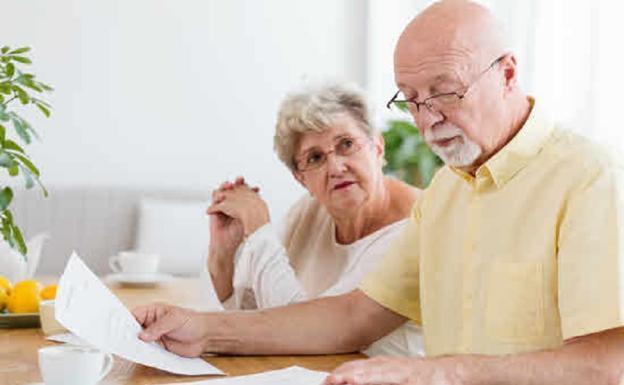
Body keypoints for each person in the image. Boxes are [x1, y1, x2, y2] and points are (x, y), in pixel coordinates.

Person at [133, 1, 624, 384]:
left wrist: (442, 373)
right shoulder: (446, 193)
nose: (428, 119)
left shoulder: (589, 179)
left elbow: (608, 366)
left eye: (445, 91)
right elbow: (351, 318)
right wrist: (204, 330)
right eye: (411, 99)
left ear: (508, 74)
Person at [205, 83, 423, 357]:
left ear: (377, 147)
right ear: (301, 178)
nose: (335, 167)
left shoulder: (417, 225)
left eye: (346, 144)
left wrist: (259, 228)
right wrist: (222, 257)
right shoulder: (311, 210)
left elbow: (310, 337)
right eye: (315, 157)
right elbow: (253, 317)